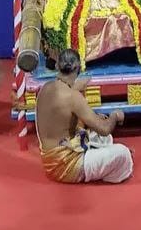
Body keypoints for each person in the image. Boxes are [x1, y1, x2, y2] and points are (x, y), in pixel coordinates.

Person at [36, 48, 133, 184]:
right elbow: (105, 129)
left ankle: (102, 157)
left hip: (49, 162)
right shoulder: (73, 97)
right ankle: (108, 171)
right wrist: (115, 116)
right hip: (67, 167)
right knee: (123, 154)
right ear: (79, 68)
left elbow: (62, 103)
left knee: (100, 138)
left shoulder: (45, 87)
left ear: (57, 66)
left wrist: (76, 87)